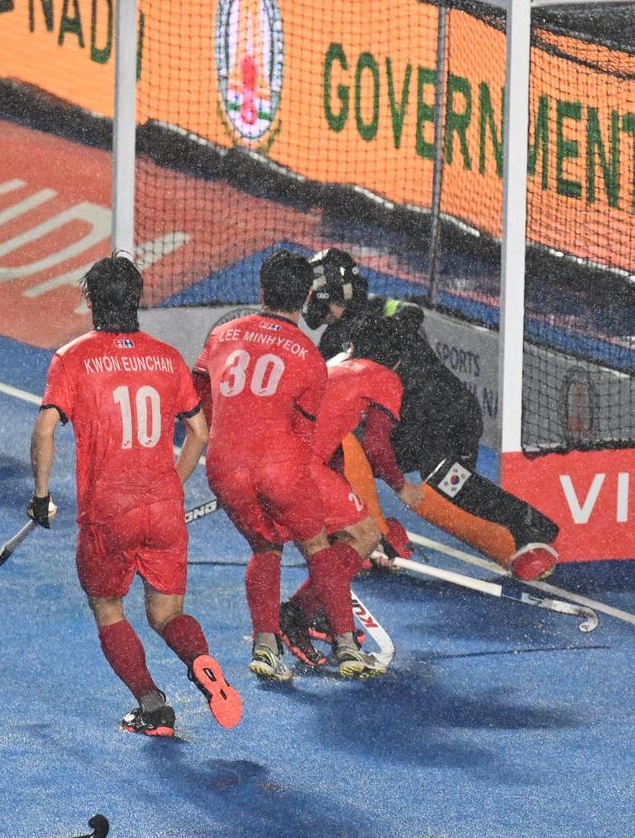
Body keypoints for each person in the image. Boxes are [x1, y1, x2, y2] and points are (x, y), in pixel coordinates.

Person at [29, 254, 242, 738]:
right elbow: (200, 432)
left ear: (90, 300)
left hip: (109, 511)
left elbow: (45, 431)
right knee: (168, 613)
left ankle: (153, 706)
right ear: (138, 299)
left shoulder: (74, 357)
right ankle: (201, 660)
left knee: (109, 608)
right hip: (163, 508)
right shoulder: (167, 358)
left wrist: (41, 496)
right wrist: (172, 482)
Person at [302, 247, 557, 581]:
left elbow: (410, 313)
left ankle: (533, 525)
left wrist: (367, 341)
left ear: (332, 292)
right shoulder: (333, 339)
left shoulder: (380, 312)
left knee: (442, 476)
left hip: (444, 413)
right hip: (411, 428)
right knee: (361, 451)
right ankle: (372, 530)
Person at [193, 250, 384, 681]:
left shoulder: (222, 334)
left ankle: (265, 648)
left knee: (264, 548)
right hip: (281, 465)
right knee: (318, 547)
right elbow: (303, 436)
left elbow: (198, 407)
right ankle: (347, 649)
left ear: (260, 290)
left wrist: (233, 467)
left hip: (223, 466)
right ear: (305, 298)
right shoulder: (309, 356)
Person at [277, 315, 425, 667]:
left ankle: (313, 611)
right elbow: (375, 445)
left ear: (353, 347)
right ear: (398, 359)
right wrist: (401, 487)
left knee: (331, 541)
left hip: (273, 457)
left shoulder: (336, 367)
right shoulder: (385, 378)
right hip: (301, 465)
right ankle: (299, 612)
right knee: (365, 534)